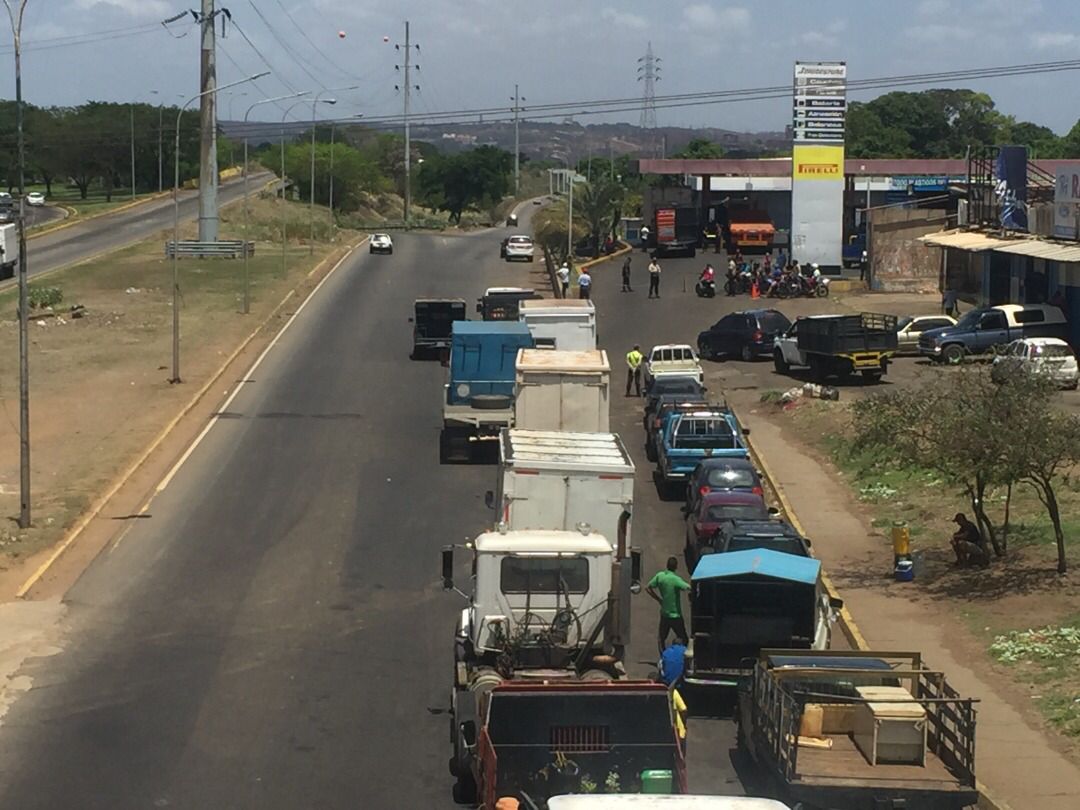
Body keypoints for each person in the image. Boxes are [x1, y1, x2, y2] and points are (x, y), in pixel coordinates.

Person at [646, 556, 691, 654]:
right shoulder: (676, 579)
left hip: (664, 614)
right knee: (684, 638)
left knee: (661, 638)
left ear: (667, 566)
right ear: (676, 567)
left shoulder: (660, 576)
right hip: (675, 615)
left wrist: (658, 599)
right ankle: (684, 658)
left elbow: (648, 587)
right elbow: (688, 587)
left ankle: (664, 657)